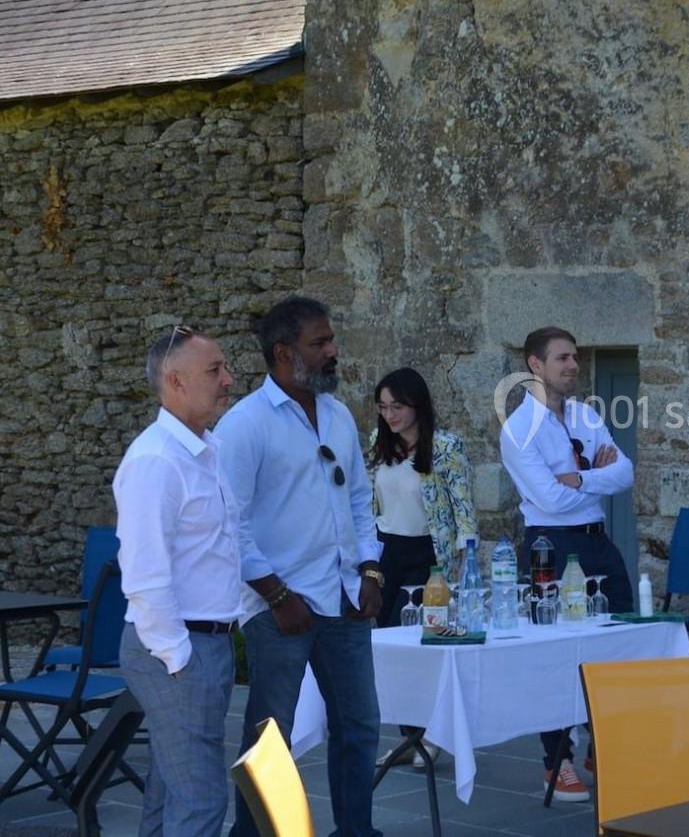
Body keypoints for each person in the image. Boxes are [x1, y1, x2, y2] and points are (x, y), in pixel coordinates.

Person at [217, 296, 385, 837]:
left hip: (343, 599)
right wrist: (276, 595)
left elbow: (360, 500)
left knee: (359, 727)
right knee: (270, 738)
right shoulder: (245, 425)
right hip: (280, 607)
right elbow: (230, 523)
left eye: (331, 339)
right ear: (285, 353)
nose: (334, 351)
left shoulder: (337, 414)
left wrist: (371, 572)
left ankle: (356, 831)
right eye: (321, 342)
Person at [114, 325, 241, 836]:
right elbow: (145, 575)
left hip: (203, 643)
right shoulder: (155, 460)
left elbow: (218, 549)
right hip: (177, 647)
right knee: (201, 800)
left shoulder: (202, 450)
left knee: (172, 791)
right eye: (214, 370)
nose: (229, 379)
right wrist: (177, 657)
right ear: (175, 382)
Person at [500, 326, 635, 802]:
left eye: (575, 357)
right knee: (554, 652)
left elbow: (625, 472)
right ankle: (556, 762)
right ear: (535, 365)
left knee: (621, 637)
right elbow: (550, 500)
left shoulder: (585, 414)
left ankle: (606, 747)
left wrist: (580, 476)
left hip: (599, 541)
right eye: (563, 358)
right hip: (550, 548)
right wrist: (596, 476)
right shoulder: (519, 429)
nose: (573, 366)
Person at [371, 366, 477, 770]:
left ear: (417, 404)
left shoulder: (446, 447)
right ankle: (409, 738)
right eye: (383, 407)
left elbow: (463, 507)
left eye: (397, 406)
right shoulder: (376, 447)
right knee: (389, 638)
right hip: (386, 553)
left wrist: (465, 561)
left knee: (417, 634)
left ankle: (432, 732)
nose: (390, 415)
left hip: (429, 555)